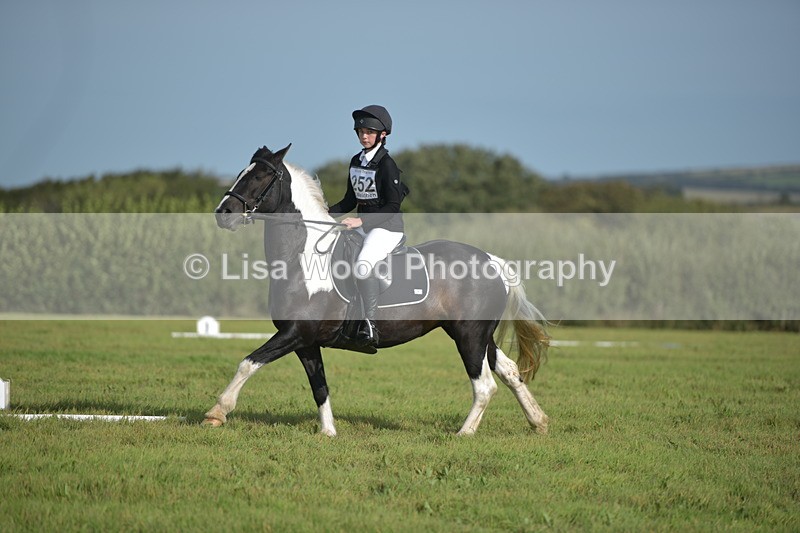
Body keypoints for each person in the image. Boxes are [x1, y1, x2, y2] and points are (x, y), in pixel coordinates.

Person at [328, 105, 408, 349]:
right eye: (361, 131)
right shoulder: (356, 161)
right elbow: (350, 201)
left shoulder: (387, 165)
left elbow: (393, 205)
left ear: (382, 135)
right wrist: (324, 215)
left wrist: (361, 221)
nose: (364, 136)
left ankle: (370, 324)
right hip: (364, 226)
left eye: (369, 132)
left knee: (362, 266)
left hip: (387, 229)